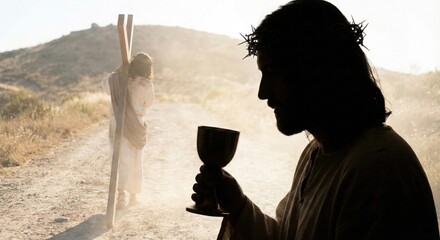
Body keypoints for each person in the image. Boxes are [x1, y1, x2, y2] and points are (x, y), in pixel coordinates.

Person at [190, 0, 440, 239]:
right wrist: (237, 204)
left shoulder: (378, 170)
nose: (262, 93)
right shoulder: (317, 153)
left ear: (314, 72)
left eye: (272, 73)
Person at [103, 52, 155, 209]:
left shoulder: (119, 79)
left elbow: (106, 87)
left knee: (118, 159)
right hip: (135, 124)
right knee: (134, 160)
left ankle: (120, 196)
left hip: (117, 122)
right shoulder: (146, 84)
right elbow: (149, 102)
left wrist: (121, 68)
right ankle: (132, 196)